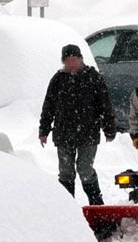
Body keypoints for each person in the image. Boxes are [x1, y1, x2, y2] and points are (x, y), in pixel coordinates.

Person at [39, 44, 116, 205]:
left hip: (88, 134)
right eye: (67, 60)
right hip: (63, 134)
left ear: (80, 60)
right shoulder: (58, 80)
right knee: (66, 173)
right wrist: (44, 130)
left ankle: (96, 205)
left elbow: (105, 105)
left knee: (85, 169)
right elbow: (48, 107)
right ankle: (67, 206)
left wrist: (109, 129)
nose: (71, 63)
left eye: (74, 60)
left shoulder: (92, 77)